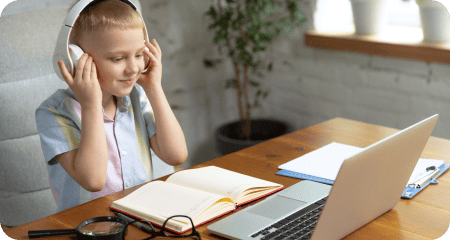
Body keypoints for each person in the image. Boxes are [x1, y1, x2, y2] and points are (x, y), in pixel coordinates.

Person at [35, 0, 188, 212]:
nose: (133, 68)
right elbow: (94, 179)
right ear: (77, 60)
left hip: (141, 215)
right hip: (89, 224)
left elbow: (176, 155)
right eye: (118, 58)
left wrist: (154, 88)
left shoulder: (138, 97)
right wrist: (91, 106)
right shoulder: (53, 114)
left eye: (138, 55)